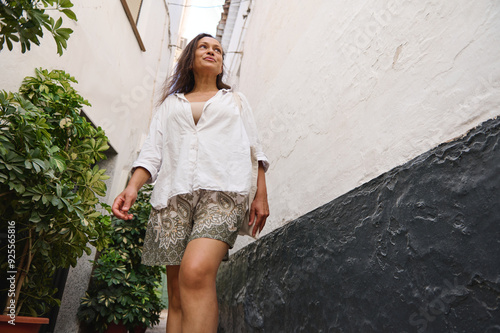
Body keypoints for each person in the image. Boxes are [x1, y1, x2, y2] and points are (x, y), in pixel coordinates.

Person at [111, 33, 269, 333]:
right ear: (190, 59)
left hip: (223, 194)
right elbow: (152, 153)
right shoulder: (171, 104)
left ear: (222, 63)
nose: (212, 51)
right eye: (204, 47)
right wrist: (132, 187)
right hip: (172, 197)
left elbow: (255, 148)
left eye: (218, 49)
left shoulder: (235, 100)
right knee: (177, 296)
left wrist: (261, 194)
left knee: (195, 273)